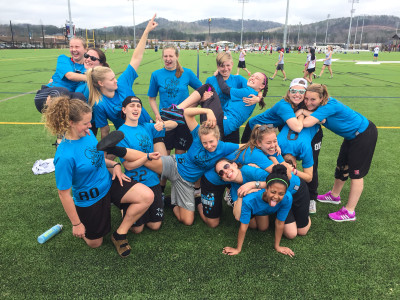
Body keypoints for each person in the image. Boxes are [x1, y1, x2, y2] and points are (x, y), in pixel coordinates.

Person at [42, 96, 153, 258]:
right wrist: (76, 224)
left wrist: (114, 165)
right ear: (71, 123)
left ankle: (119, 234)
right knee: (95, 243)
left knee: (146, 195)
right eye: (86, 123)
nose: (90, 127)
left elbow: (97, 159)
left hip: (109, 184)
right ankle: (87, 219)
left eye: (90, 122)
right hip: (90, 198)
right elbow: (63, 193)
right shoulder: (64, 156)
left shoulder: (87, 135)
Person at [96, 107, 240, 226]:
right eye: (205, 143)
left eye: (211, 142)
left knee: (187, 221)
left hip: (185, 182)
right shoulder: (197, 133)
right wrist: (208, 111)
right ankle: (113, 149)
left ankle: (170, 201)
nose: (208, 146)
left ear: (218, 138)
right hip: (174, 164)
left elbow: (245, 146)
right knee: (145, 158)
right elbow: (187, 112)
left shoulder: (225, 147)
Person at [241, 78, 323, 214]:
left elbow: (322, 118)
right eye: (293, 91)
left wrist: (302, 112)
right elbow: (296, 127)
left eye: (301, 92)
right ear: (288, 92)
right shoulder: (284, 105)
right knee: (250, 160)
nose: (297, 94)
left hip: (274, 130)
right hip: (257, 130)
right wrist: (302, 115)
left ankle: (310, 197)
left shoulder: (303, 102)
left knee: (311, 164)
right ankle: (242, 190)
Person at [301, 84, 378, 222]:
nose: (308, 102)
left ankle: (349, 211)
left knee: (356, 174)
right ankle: (334, 196)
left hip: (363, 135)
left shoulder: (329, 105)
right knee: (342, 165)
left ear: (322, 98)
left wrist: (301, 111)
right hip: (351, 136)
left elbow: (307, 123)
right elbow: (321, 119)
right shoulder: (322, 106)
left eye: (313, 99)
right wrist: (309, 113)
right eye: (306, 99)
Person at [86, 14, 157, 139]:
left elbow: (136, 58)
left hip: (150, 129)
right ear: (101, 83)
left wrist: (146, 32)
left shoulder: (122, 83)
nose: (115, 81)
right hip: (129, 138)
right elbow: (105, 130)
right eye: (112, 79)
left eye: (115, 77)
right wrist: (106, 152)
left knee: (158, 157)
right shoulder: (100, 104)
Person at [147, 43, 203, 198]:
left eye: (171, 56)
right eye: (165, 56)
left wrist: (193, 106)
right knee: (164, 157)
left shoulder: (187, 73)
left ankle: (180, 188)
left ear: (177, 56)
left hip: (184, 120)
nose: (168, 59)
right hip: (165, 120)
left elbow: (203, 90)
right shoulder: (156, 74)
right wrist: (157, 114)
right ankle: (160, 190)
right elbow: (151, 98)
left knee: (180, 154)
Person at [117, 96, 178, 233]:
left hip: (151, 181)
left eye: (138, 106)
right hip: (135, 183)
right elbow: (128, 166)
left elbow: (174, 124)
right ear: (124, 109)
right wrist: (146, 157)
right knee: (137, 229)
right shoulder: (120, 133)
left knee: (155, 225)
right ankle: (123, 207)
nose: (136, 108)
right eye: (132, 106)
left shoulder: (146, 127)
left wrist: (163, 125)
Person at [216, 158, 311, 239]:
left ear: (234, 165)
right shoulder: (234, 187)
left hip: (295, 190)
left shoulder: (248, 170)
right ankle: (283, 210)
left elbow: (276, 181)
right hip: (276, 199)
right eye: (221, 173)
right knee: (264, 228)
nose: (226, 172)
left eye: (226, 166)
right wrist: (241, 196)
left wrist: (252, 185)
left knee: (301, 232)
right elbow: (237, 216)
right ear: (223, 179)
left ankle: (304, 212)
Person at [161, 72, 267, 142]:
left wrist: (218, 75)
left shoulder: (248, 91)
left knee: (208, 88)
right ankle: (177, 115)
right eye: (252, 76)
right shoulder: (253, 93)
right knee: (206, 95)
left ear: (262, 86)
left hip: (221, 122)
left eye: (256, 78)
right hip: (223, 126)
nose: (252, 78)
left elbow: (226, 89)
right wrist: (260, 97)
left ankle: (177, 110)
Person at [222, 164, 295, 257]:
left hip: (264, 209)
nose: (276, 197)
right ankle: (231, 199)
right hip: (253, 206)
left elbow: (280, 223)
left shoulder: (287, 198)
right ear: (266, 188)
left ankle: (262, 213)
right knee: (253, 225)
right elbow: (243, 227)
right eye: (273, 192)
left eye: (281, 193)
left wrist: (278, 246)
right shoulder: (248, 201)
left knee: (263, 228)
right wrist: (237, 249)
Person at [34, 37, 87, 113]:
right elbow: (70, 76)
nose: (73, 49)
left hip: (67, 96)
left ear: (85, 49)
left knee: (79, 97)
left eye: (77, 47)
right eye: (71, 47)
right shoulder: (63, 59)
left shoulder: (87, 68)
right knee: (63, 92)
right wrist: (91, 77)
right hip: (47, 94)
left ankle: (77, 123)